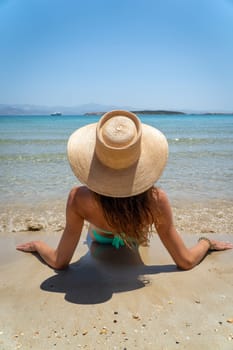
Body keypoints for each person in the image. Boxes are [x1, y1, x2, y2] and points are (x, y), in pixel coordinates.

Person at [16, 110, 233, 270]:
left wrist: (38, 244)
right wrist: (206, 243)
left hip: (99, 239)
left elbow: (59, 261)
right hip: (136, 236)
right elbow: (185, 261)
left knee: (93, 233)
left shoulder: (79, 198)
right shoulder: (157, 200)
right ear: (141, 161)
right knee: (140, 234)